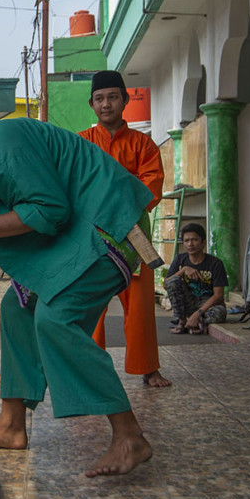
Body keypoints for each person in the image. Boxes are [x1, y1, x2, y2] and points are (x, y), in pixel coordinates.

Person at [0, 84, 154, 477]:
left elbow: (50, 209)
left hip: (110, 225)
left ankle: (129, 436)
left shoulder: (0, 140)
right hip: (81, 232)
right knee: (17, 307)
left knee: (56, 320)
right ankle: (11, 425)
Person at [80, 70, 171, 388]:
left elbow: (152, 185)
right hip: (91, 238)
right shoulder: (81, 143)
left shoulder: (143, 144)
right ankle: (91, 369)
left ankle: (148, 368)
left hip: (134, 237)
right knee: (91, 306)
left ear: (125, 100)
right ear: (91, 104)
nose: (106, 104)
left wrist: (115, 204)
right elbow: (72, 185)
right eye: (100, 98)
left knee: (141, 306)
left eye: (113, 97)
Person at [163, 223, 228, 333]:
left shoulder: (215, 263)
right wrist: (183, 271)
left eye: (194, 240)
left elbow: (219, 295)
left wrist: (198, 313)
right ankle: (182, 321)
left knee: (219, 313)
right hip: (188, 304)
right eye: (186, 241)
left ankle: (195, 321)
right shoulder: (180, 259)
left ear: (203, 243)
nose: (190, 244)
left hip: (207, 306)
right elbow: (166, 284)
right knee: (173, 280)